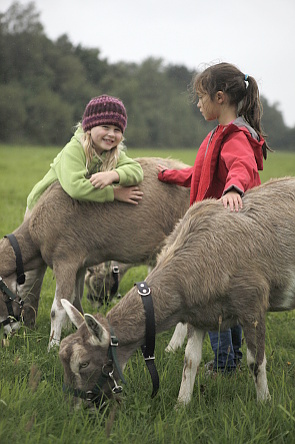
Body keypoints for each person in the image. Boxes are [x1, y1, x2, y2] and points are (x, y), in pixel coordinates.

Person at [157, 62, 271, 373]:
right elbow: (202, 173)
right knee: (225, 300)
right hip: (215, 231)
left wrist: (234, 189)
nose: (197, 103)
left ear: (219, 97)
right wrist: (170, 175)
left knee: (213, 301)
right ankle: (230, 359)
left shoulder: (235, 136)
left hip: (225, 233)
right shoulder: (218, 134)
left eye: (200, 96)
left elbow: (242, 166)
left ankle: (224, 364)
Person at [22, 94, 144, 325]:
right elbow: (76, 187)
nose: (111, 134)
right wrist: (115, 192)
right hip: (40, 215)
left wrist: (114, 174)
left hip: (67, 219)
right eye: (105, 126)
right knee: (34, 270)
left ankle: (71, 319)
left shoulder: (112, 152)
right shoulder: (74, 150)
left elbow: (137, 170)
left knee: (72, 266)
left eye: (117, 129)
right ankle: (24, 321)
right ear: (89, 127)